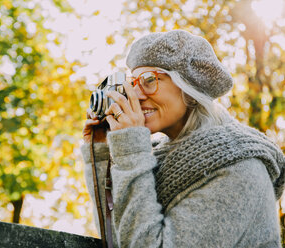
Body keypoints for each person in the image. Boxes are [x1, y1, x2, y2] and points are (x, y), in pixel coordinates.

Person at [81, 30, 285, 248]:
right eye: (133, 83)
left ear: (188, 88)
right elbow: (118, 238)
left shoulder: (239, 166)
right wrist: (102, 152)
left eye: (149, 80)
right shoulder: (153, 157)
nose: (137, 96)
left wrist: (131, 151)